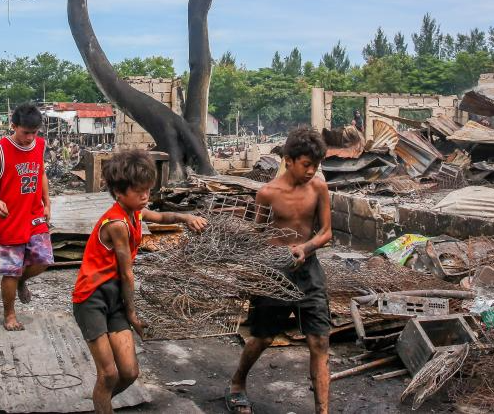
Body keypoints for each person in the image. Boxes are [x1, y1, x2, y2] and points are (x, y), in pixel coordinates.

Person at [72, 150, 207, 414]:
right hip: (92, 297)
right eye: (139, 191)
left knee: (130, 372)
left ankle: (101, 403)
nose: (146, 196)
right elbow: (126, 273)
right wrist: (132, 314)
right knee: (109, 374)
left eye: (148, 189)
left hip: (114, 297)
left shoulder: (136, 212)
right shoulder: (117, 224)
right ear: (119, 193)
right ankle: (103, 402)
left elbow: (162, 217)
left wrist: (186, 217)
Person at [227, 127, 332, 414]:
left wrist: (306, 248)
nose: (311, 171)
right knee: (263, 337)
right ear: (288, 159)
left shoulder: (319, 188)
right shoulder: (267, 193)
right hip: (275, 272)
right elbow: (256, 235)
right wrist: (254, 268)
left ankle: (322, 410)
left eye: (316, 165)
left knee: (319, 340)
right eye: (306, 165)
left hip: (308, 270)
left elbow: (326, 232)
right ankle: (237, 382)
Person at [0, 103, 53, 331]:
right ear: (13, 126)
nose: (30, 137)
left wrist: (47, 202)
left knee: (43, 260)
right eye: (25, 133)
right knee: (10, 271)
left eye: (34, 132)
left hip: (33, 214)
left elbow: (41, 172)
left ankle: (23, 280)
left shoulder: (40, 145)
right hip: (9, 217)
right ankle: (10, 314)